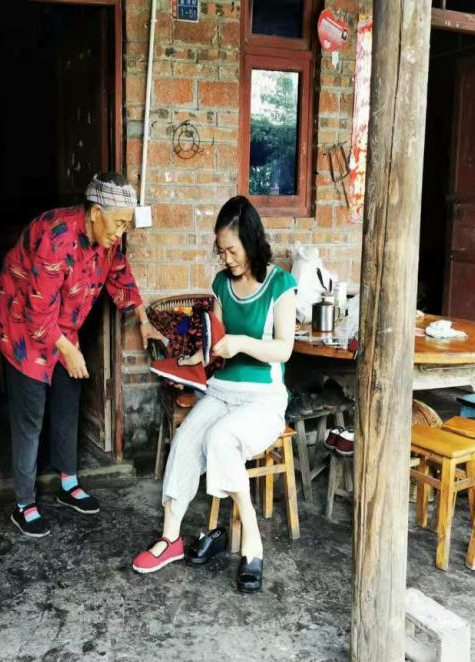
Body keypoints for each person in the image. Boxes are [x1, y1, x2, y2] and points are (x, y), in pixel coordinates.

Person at [132, 195, 297, 592]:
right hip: (221, 390)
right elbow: (216, 343)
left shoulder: (280, 285)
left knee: (220, 438)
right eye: (221, 251)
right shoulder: (222, 284)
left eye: (233, 250)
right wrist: (191, 359)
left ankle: (252, 538)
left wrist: (240, 343)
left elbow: (284, 349)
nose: (227, 259)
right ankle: (170, 538)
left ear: (252, 241)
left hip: (263, 398)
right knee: (186, 438)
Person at [0, 173, 162, 538]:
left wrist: (144, 320)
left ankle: (68, 483)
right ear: (96, 213)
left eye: (126, 225)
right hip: (23, 326)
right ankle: (24, 504)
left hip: (62, 329)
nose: (121, 232)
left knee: (67, 401)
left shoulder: (106, 239)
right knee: (31, 416)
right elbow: (38, 312)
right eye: (119, 223)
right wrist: (68, 350)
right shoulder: (56, 237)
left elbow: (120, 275)